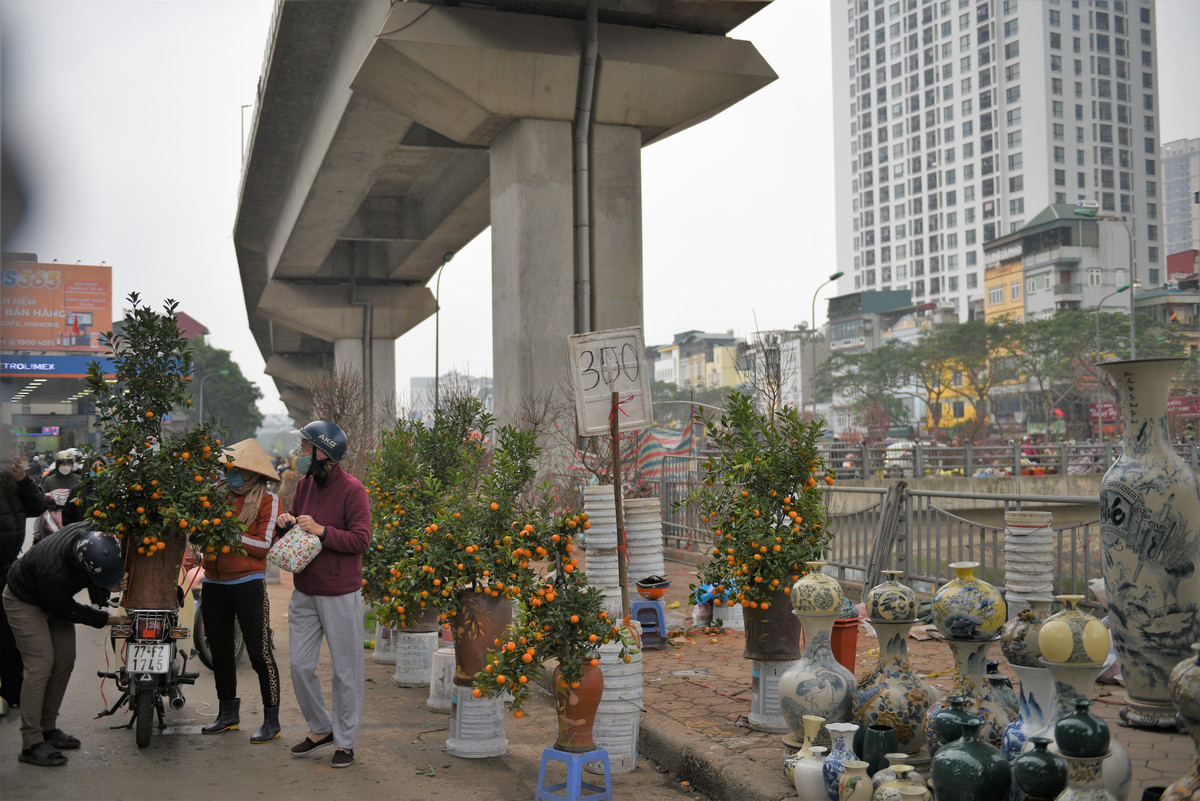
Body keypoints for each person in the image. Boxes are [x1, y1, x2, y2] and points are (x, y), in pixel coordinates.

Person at [277, 421, 370, 769]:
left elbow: (361, 540)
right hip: (305, 590)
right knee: (300, 665)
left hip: (339, 593)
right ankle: (321, 728)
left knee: (346, 672)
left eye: (304, 448)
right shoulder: (304, 484)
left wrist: (322, 530)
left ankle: (345, 742)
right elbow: (299, 521)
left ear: (322, 452)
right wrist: (288, 520)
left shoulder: (353, 490)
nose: (299, 455)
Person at [3, 524, 126, 766]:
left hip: (52, 596)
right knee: (40, 665)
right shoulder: (55, 572)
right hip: (24, 599)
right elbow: (69, 610)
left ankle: (48, 728)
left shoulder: (93, 537)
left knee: (64, 660)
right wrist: (110, 620)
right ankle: (31, 743)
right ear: (84, 568)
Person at [200, 438, 283, 743]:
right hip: (212, 583)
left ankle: (271, 719)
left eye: (234, 469)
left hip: (247, 585)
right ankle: (227, 714)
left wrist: (230, 532)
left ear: (250, 473)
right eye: (226, 468)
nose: (228, 474)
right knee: (220, 653)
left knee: (259, 653)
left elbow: (263, 547)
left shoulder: (268, 500)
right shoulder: (215, 494)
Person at [0, 454, 45, 718]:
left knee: (10, 632)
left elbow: (37, 507)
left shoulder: (15, 480)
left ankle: (13, 691)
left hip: (8, 566)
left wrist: (24, 480)